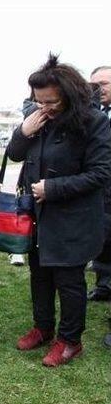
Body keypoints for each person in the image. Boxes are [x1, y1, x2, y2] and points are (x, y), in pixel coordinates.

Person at [7, 55, 111, 367]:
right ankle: (43, 327)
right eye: (38, 101)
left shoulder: (94, 123)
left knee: (69, 281)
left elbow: (101, 173)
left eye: (50, 101)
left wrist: (53, 189)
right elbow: (14, 155)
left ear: (67, 94)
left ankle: (69, 340)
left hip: (74, 218)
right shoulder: (39, 119)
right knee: (39, 275)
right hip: (39, 217)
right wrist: (23, 132)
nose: (44, 107)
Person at [88, 66, 111, 303]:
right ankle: (104, 286)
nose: (98, 90)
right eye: (94, 86)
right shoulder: (95, 113)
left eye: (103, 84)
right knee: (102, 238)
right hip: (101, 190)